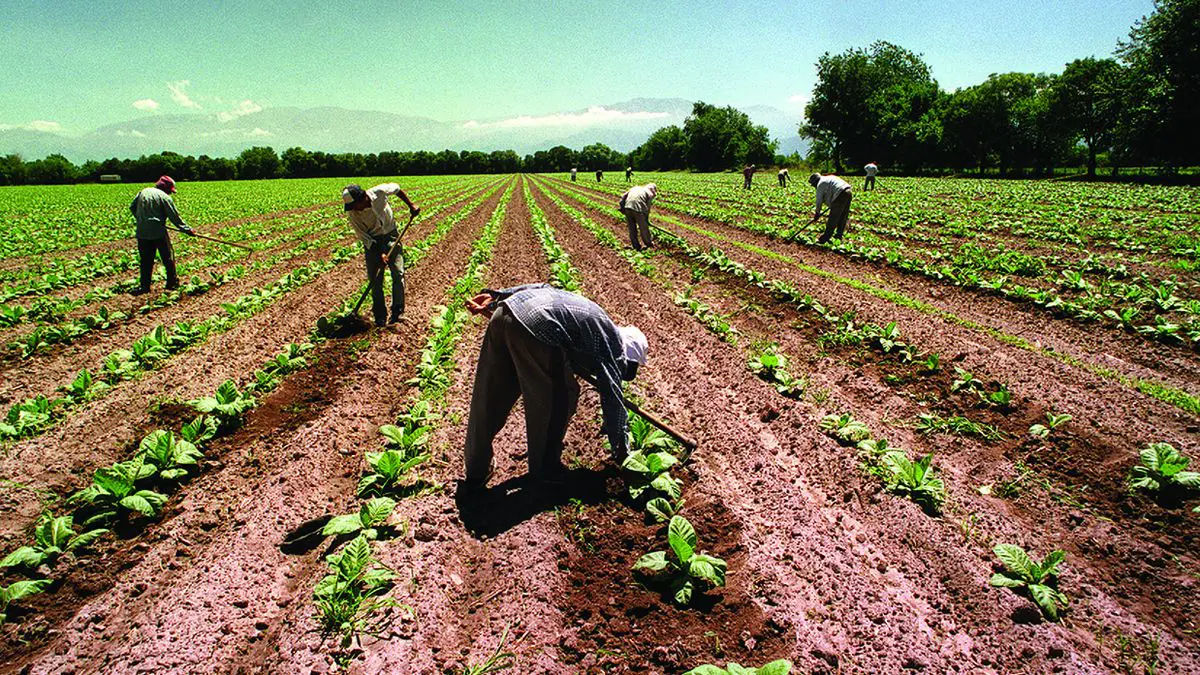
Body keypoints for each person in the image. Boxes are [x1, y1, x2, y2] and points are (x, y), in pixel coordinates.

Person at [462, 284, 649, 489]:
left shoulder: (593, 321)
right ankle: (546, 469)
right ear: (627, 354)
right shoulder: (611, 343)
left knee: (491, 395)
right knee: (561, 398)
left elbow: (542, 287)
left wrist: (497, 297)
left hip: (504, 313)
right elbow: (612, 398)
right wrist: (623, 453)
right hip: (536, 326)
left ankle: (476, 470)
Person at [342, 183, 420, 327]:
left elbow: (397, 189)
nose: (353, 209)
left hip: (391, 236)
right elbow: (364, 237)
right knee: (375, 281)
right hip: (372, 243)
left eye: (354, 205)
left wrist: (411, 205)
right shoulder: (353, 214)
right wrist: (379, 254)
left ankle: (398, 312)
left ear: (363, 197)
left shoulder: (379, 192)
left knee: (398, 273)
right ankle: (380, 317)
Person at [130, 175, 194, 296]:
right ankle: (172, 283)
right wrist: (187, 230)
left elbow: (132, 207)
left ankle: (144, 286)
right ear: (166, 189)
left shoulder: (143, 192)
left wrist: (142, 220)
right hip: (158, 231)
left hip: (142, 231)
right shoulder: (164, 197)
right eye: (170, 191)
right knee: (167, 257)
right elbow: (174, 217)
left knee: (146, 260)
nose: (170, 193)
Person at [808, 173, 853, 244]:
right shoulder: (828, 178)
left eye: (813, 184)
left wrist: (817, 213)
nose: (813, 186)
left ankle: (825, 237)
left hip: (840, 193)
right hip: (848, 191)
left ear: (815, 181)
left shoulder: (821, 184)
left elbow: (819, 201)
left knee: (833, 217)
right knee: (843, 216)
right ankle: (838, 236)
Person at [619, 183, 657, 251]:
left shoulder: (635, 188)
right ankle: (648, 244)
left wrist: (622, 208)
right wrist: (646, 219)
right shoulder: (649, 193)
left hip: (627, 207)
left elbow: (622, 197)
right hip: (638, 208)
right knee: (643, 228)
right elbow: (647, 207)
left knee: (632, 228)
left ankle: (635, 245)